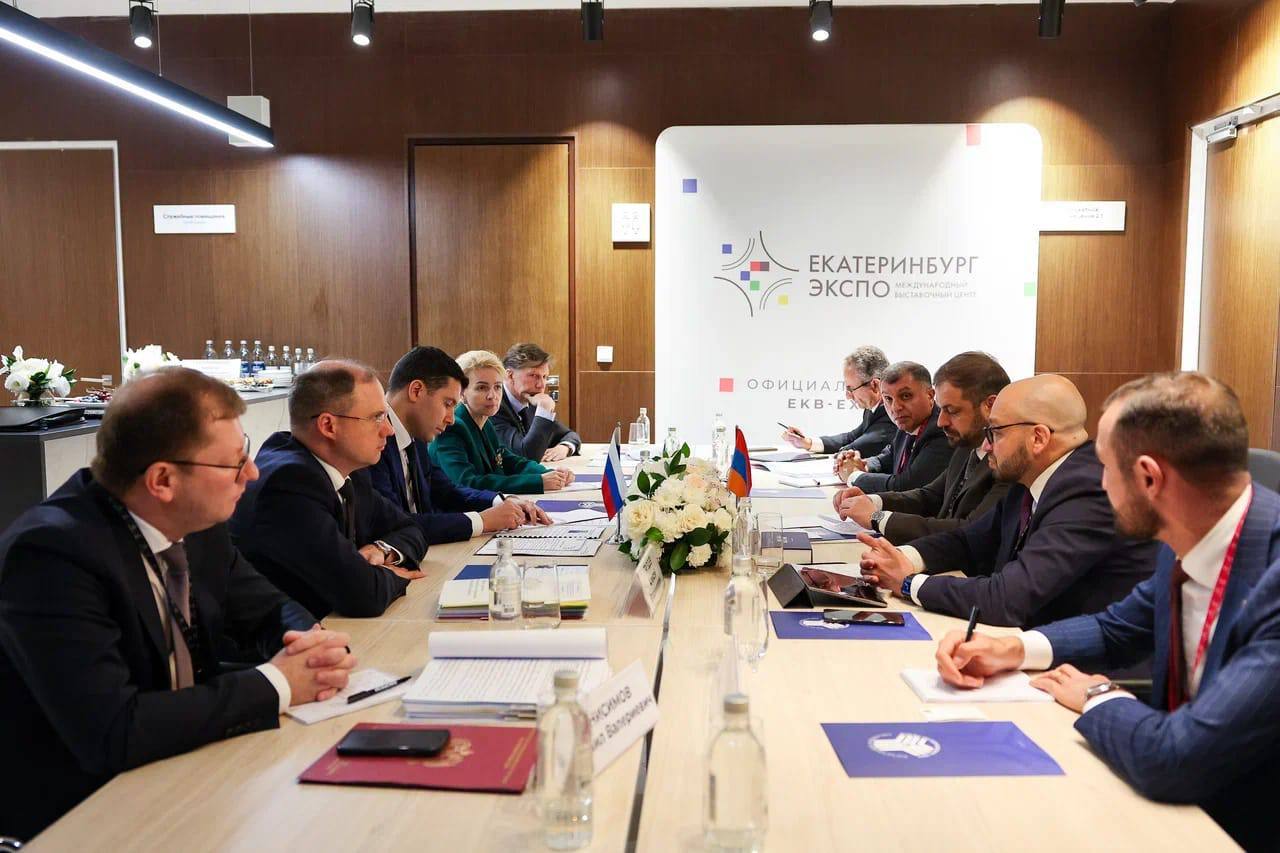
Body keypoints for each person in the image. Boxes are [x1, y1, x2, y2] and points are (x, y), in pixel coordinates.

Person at [0, 367, 356, 840]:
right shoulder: (51, 555)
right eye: (234, 464)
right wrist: (278, 682)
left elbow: (267, 607)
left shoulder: (199, 524)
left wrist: (312, 645)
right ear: (163, 480)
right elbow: (114, 730)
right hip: (82, 816)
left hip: (185, 770)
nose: (252, 473)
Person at [933, 373, 1280, 850]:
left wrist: (1097, 695)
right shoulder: (1189, 533)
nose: (1098, 482)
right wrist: (1012, 648)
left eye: (1105, 467)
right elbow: (1118, 627)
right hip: (1181, 804)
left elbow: (1174, 759)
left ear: (1149, 479)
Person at [858, 374, 1157, 628]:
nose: (987, 445)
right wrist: (903, 559)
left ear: (1038, 438)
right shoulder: (1029, 479)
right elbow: (968, 541)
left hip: (1077, 661)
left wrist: (908, 583)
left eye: (995, 432)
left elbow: (1008, 598)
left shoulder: (1086, 490)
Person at [230, 360, 428, 619]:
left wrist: (381, 550)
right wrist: (388, 575)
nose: (389, 430)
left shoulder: (348, 469)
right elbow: (363, 595)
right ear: (328, 426)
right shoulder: (288, 484)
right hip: (285, 638)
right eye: (376, 417)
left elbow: (412, 529)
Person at [371, 345, 551, 544]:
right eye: (447, 404)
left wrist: (501, 501)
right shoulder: (372, 442)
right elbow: (394, 524)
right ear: (416, 391)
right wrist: (482, 521)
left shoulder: (416, 435)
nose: (451, 419)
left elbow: (446, 491)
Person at [832, 352, 1011, 543]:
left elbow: (968, 530)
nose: (941, 421)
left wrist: (877, 517)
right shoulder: (966, 445)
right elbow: (930, 496)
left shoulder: (1009, 462)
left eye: (952, 411)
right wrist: (873, 501)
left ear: (990, 406)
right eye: (941, 409)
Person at [431, 350, 577, 494]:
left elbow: (510, 461)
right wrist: (538, 482)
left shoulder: (485, 423)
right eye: (482, 388)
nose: (492, 395)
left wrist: (549, 473)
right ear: (461, 393)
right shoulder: (452, 427)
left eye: (497, 387)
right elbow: (467, 482)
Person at [834, 360, 951, 494]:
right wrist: (861, 464)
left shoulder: (941, 430)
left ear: (930, 395)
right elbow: (886, 458)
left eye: (905, 396)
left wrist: (854, 476)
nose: (895, 407)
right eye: (888, 399)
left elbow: (906, 486)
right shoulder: (905, 424)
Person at [781, 345, 895, 457]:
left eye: (851, 389)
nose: (848, 396)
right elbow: (851, 438)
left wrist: (840, 455)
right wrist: (807, 442)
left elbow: (861, 446)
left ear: (875, 385)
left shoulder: (892, 412)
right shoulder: (872, 408)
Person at [491, 342, 582, 463]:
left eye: (544, 377)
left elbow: (569, 434)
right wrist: (544, 411)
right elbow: (526, 457)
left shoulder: (531, 402)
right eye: (533, 375)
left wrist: (564, 447)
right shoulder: (494, 405)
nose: (541, 385)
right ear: (510, 375)